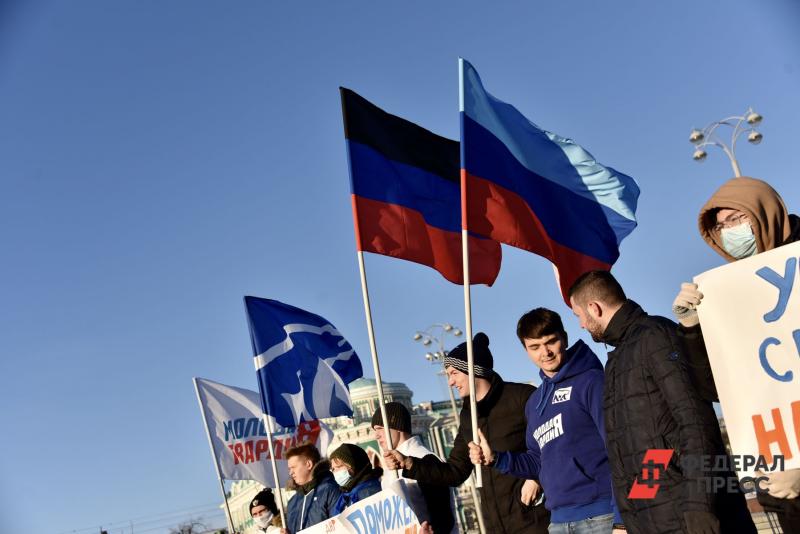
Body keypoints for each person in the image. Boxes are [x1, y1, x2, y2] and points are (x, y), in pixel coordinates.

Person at [569, 270, 756, 534]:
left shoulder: (655, 335)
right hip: (661, 515)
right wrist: (634, 514)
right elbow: (650, 448)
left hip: (691, 513)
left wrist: (698, 504)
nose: (581, 325)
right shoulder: (620, 357)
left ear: (593, 308)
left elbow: (694, 420)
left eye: (578, 316)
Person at [671, 176, 800, 531]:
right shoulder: (732, 293)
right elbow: (715, 388)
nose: (729, 232)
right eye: (720, 226)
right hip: (784, 489)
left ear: (764, 212)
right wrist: (693, 328)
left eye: (736, 219)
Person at [468, 308, 624, 533]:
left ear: (565, 338)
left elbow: (621, 449)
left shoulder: (592, 382)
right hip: (558, 521)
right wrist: (496, 459)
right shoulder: (535, 402)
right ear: (526, 350)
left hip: (601, 517)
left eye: (551, 342)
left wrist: (622, 519)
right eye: (535, 347)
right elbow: (537, 462)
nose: (546, 353)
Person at [383, 332, 550, 533]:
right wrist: (409, 463)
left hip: (536, 518)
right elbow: (454, 472)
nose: (450, 383)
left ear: (473, 369)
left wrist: (536, 478)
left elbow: (554, 444)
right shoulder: (467, 417)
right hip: (498, 524)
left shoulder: (521, 398)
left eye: (454, 373)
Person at [371, 402, 457, 534]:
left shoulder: (424, 458)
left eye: (380, 428)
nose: (376, 435)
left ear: (397, 426)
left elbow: (443, 515)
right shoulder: (391, 467)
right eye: (374, 430)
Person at [283, 443, 341, 533]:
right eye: (289, 469)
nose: (291, 473)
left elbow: (340, 527)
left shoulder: (329, 490)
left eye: (293, 467)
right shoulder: (292, 502)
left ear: (308, 464)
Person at [330, 443, 383, 513]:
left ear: (354, 466)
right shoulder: (345, 496)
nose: (335, 472)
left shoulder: (370, 491)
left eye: (338, 467)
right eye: (333, 469)